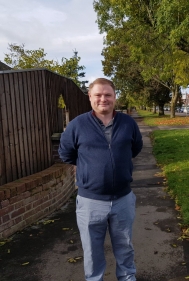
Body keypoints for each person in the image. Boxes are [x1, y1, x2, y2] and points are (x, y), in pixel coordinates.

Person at [59, 78, 143, 281]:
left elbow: (135, 148)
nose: (103, 99)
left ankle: (127, 278)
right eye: (98, 95)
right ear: (90, 97)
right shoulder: (77, 125)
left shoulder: (128, 123)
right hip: (90, 203)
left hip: (123, 200)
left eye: (108, 95)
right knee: (92, 252)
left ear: (115, 97)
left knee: (125, 247)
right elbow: (66, 153)